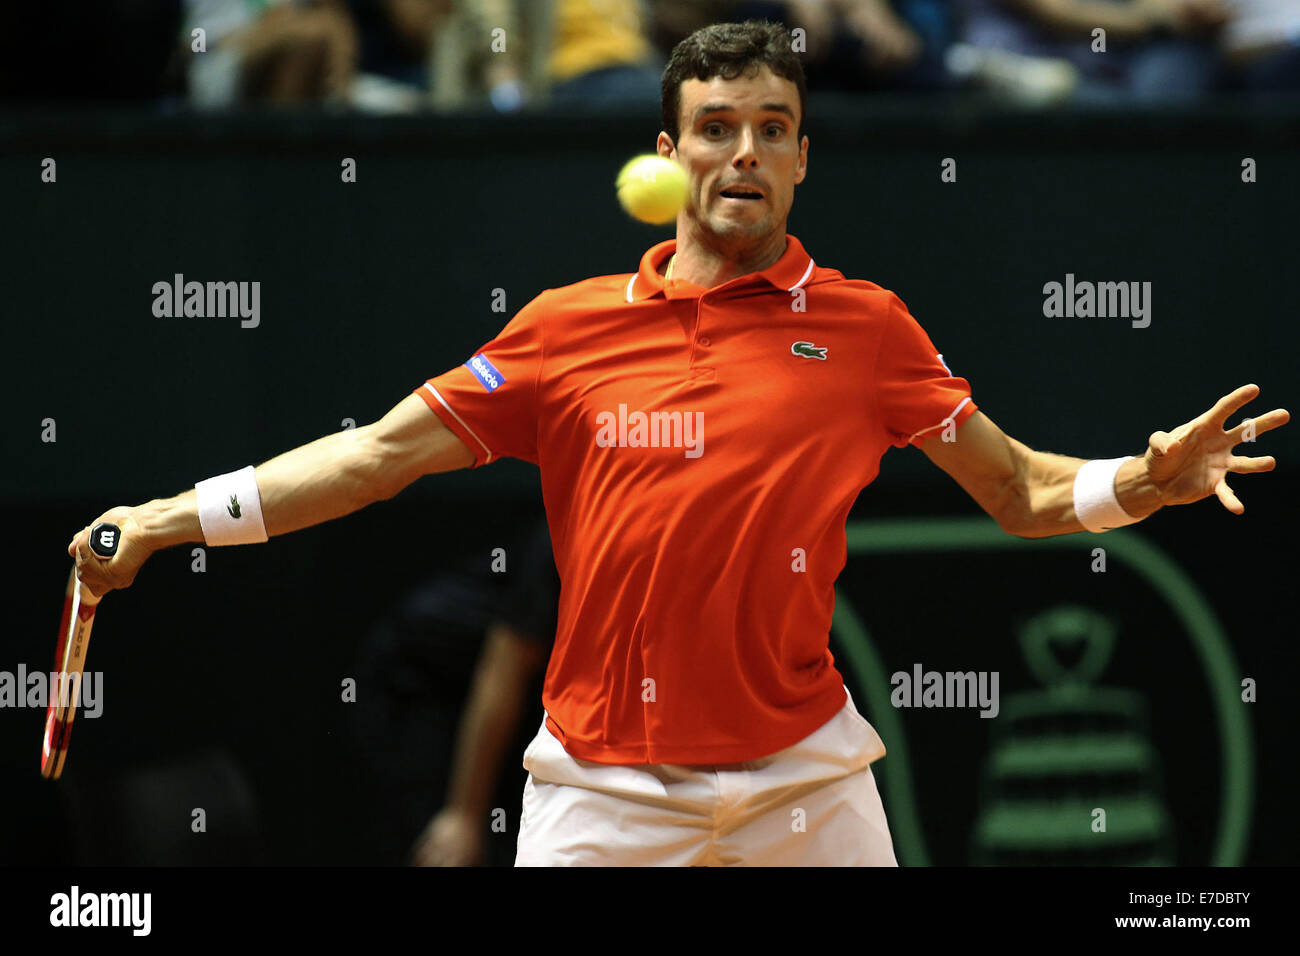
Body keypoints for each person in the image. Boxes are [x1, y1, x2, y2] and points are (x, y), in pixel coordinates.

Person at [69, 19, 1288, 866]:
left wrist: (1139, 481)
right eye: (716, 128)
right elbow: (377, 454)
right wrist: (176, 517)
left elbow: (1019, 489)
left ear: (805, 157)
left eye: (772, 128)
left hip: (805, 773)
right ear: (669, 156)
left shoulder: (866, 330)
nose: (744, 151)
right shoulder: (564, 330)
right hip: (601, 787)